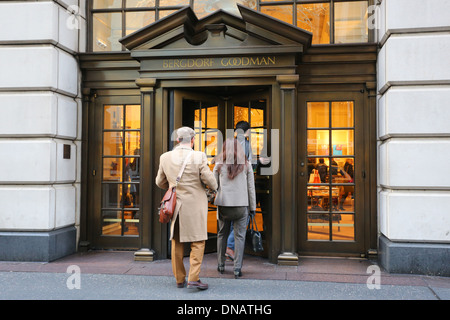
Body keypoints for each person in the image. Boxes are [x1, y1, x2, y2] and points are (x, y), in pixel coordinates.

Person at [155, 127, 217, 290]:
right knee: (198, 241)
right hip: (195, 204)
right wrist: (214, 187)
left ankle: (179, 279)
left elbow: (159, 182)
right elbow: (209, 179)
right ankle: (194, 278)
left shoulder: (165, 157)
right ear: (192, 140)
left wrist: (173, 185)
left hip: (175, 205)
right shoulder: (199, 156)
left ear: (177, 140)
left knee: (177, 241)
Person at [213, 138, 257, 278]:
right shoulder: (246, 165)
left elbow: (214, 186)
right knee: (239, 236)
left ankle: (220, 264)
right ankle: (237, 268)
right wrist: (253, 207)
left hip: (224, 205)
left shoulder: (219, 165)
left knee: (221, 234)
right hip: (241, 205)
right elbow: (251, 188)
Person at [225, 121, 253, 261]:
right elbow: (248, 165)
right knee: (243, 217)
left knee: (231, 219)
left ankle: (228, 248)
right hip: (240, 189)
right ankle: (230, 247)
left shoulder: (228, 143)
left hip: (227, 192)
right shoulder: (244, 144)